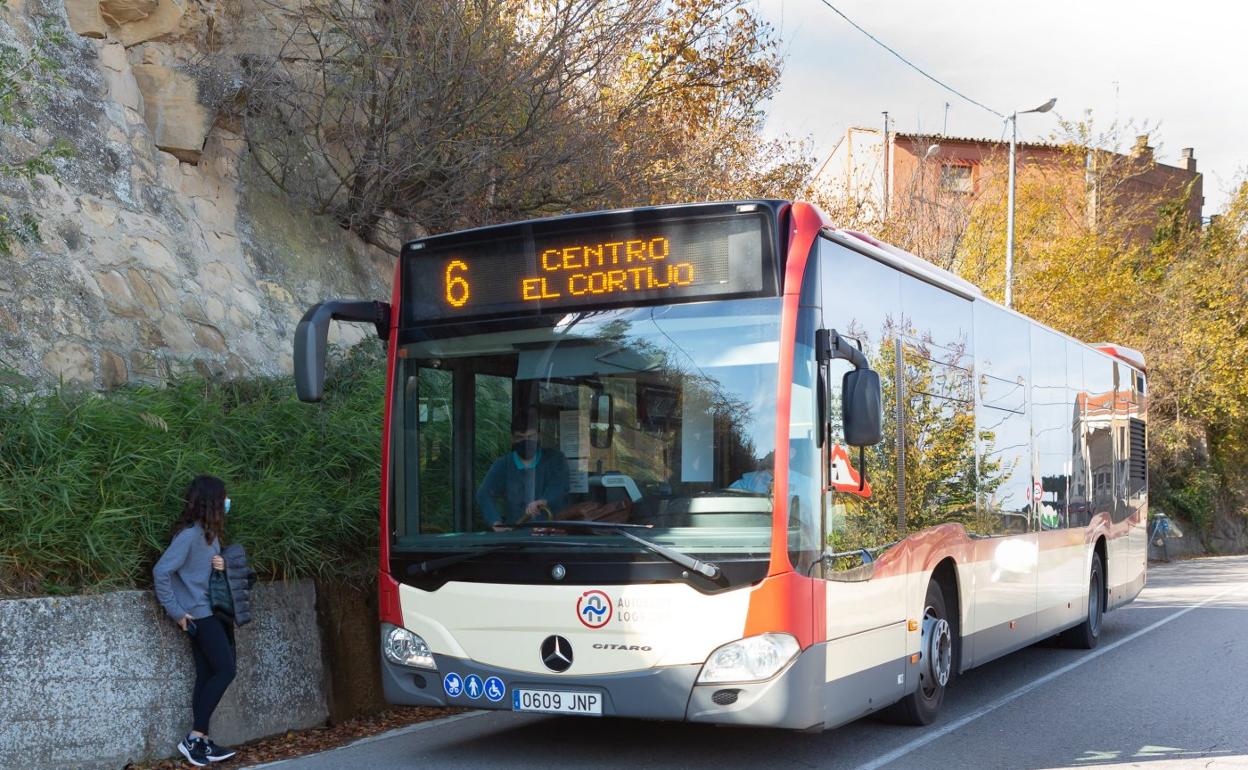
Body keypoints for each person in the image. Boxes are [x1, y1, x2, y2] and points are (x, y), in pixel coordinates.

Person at [152, 475, 239, 767]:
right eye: (224, 497)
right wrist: (177, 612)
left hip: (212, 613)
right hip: (200, 616)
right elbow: (161, 572)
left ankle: (200, 742)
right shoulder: (190, 536)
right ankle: (194, 737)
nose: (228, 502)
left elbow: (206, 574)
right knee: (226, 670)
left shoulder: (208, 535)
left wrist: (223, 564)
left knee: (206, 675)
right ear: (213, 501)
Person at [476, 414, 569, 529]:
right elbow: (484, 494)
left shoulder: (555, 459)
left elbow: (560, 486)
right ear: (512, 439)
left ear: (539, 436)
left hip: (551, 533)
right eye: (520, 437)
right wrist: (496, 523)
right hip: (516, 536)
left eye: (531, 436)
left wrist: (544, 501)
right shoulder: (503, 464)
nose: (526, 441)